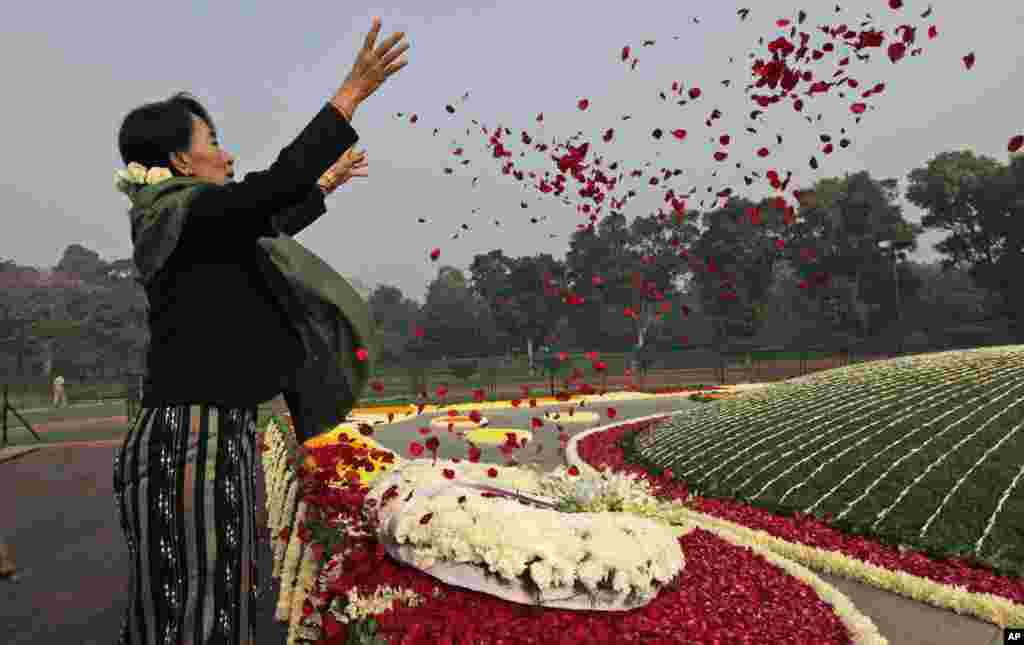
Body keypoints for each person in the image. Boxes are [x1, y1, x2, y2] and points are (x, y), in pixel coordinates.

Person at [111, 18, 408, 645]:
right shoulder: (186, 212)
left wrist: (320, 186)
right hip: (192, 437)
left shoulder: (188, 221)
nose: (228, 155)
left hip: (209, 429)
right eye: (214, 141)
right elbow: (265, 195)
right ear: (179, 160)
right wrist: (350, 94)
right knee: (197, 604)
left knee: (203, 596)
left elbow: (260, 226)